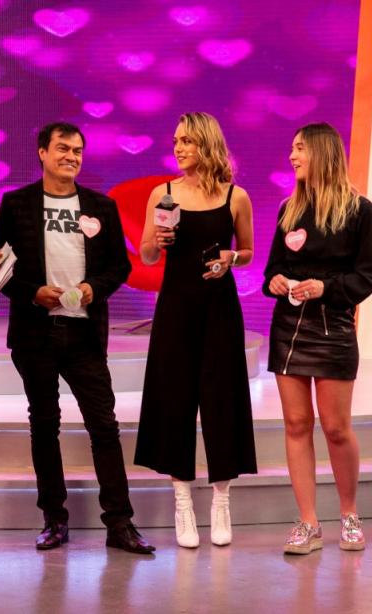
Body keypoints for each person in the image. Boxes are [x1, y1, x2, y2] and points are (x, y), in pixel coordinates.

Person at [0, 122, 155, 555]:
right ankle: (54, 519)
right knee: (44, 425)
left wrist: (91, 289)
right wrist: (33, 293)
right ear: (42, 153)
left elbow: (120, 266)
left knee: (104, 426)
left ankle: (120, 523)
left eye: (78, 150)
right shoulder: (17, 204)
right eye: (63, 148)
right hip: (35, 334)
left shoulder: (101, 206)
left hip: (84, 334)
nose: (71, 156)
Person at [134, 112, 258, 549]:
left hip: (220, 310)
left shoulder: (236, 196)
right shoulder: (163, 194)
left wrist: (231, 258)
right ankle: (182, 502)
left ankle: (221, 500)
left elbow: (248, 251)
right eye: (176, 141)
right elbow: (147, 256)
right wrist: (157, 243)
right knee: (175, 401)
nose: (179, 148)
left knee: (223, 400)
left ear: (206, 143)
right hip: (176, 309)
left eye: (186, 140)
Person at [263, 122, 372, 554]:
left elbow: (368, 275)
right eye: (292, 148)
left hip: (334, 330)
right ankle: (308, 523)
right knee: (297, 424)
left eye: (300, 148)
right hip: (289, 330)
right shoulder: (288, 209)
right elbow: (272, 268)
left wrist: (325, 288)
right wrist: (276, 280)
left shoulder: (360, 210)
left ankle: (349, 514)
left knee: (335, 427)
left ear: (322, 152)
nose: (292, 156)